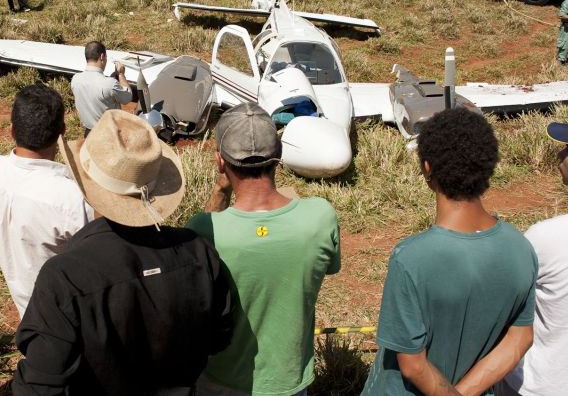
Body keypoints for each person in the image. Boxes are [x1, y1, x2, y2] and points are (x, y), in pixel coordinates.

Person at [14, 109, 233, 395]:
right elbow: (219, 338)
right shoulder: (199, 253)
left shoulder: (64, 278)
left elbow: (40, 387)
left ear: (85, 182)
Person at [361, 108, 537, 395]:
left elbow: (413, 365)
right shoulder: (521, 248)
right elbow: (520, 339)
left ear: (427, 168)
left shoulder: (410, 258)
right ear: (488, 166)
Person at [187, 102, 341, 396]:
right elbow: (330, 267)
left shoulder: (204, 230)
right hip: (290, 382)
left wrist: (220, 191)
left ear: (221, 161)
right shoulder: (320, 218)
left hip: (221, 382)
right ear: (279, 155)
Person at [0, 84, 93, 318]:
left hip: (25, 304)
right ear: (62, 134)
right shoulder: (72, 198)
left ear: (11, 130)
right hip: (71, 310)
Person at [497, 122, 568, 395]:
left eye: (566, 148)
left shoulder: (544, 238)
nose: (559, 154)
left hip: (540, 386)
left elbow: (497, 304)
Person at [70, 41, 132, 135]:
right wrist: (121, 74)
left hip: (89, 133)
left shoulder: (75, 79)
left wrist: (113, 76)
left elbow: (97, 87)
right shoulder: (109, 84)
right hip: (109, 135)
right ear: (102, 56)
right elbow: (127, 97)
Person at [557, 0, 568, 64]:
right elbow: (561, 15)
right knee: (564, 43)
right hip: (567, 28)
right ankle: (561, 60)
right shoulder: (567, 2)